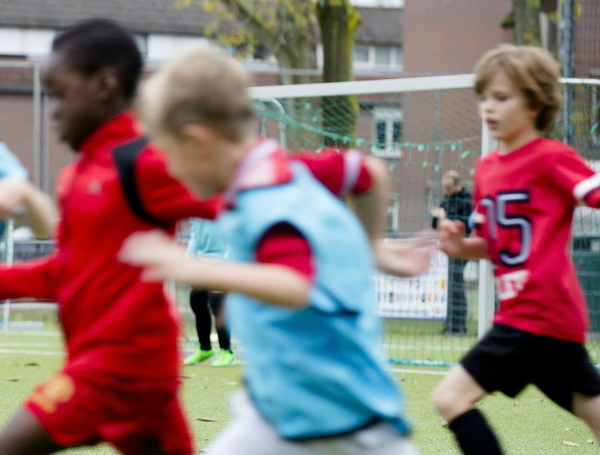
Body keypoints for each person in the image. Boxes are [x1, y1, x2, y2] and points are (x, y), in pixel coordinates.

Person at [119, 43, 434, 455]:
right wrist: (371, 247)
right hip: (280, 406)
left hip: (340, 419)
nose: (171, 170)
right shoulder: (284, 166)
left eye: (170, 155)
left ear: (198, 141)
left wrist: (191, 268)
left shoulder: (264, 199)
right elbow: (366, 171)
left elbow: (294, 285)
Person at [0, 19, 223, 455]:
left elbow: (241, 197)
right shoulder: (79, 174)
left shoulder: (144, 161)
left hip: (116, 372)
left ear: (104, 85)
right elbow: (67, 273)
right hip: (141, 374)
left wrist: (343, 179)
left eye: (61, 93)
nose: (54, 109)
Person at [432, 44, 600, 455]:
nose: (489, 107)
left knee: (450, 398)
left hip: (538, 315)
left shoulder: (551, 158)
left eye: (502, 97)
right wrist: (459, 247)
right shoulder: (487, 170)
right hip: (532, 320)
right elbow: (494, 246)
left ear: (534, 104)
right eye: (485, 97)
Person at [183, 218, 235, 367]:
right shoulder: (197, 207)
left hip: (221, 262)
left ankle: (226, 351)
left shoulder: (223, 206)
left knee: (217, 306)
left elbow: (233, 232)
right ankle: (205, 348)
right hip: (201, 261)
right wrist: (189, 256)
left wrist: (228, 260)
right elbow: (195, 232)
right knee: (197, 302)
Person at [431, 170, 472, 334]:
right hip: (449, 248)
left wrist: (444, 216)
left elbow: (463, 225)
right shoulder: (446, 199)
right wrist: (438, 217)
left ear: (456, 184)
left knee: (457, 286)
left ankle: (459, 325)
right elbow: (436, 224)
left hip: (464, 246)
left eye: (448, 189)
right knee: (452, 285)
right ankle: (451, 324)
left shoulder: (466, 200)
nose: (446, 192)